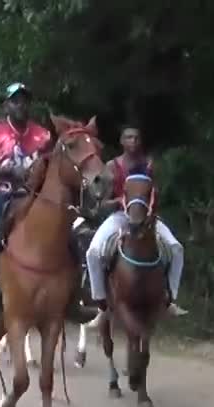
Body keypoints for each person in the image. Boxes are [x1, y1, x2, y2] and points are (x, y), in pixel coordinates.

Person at [0, 82, 98, 324]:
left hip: (36, 195)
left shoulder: (43, 136)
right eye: (15, 100)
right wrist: (8, 172)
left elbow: (57, 167)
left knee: (72, 237)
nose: (21, 105)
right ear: (7, 105)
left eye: (24, 100)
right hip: (0, 193)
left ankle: (75, 299)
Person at [85, 126, 188, 326]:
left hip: (148, 218)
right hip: (120, 216)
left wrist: (148, 210)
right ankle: (101, 305)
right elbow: (100, 202)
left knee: (176, 248)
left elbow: (157, 194)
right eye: (129, 137)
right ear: (122, 142)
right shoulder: (112, 167)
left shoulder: (150, 165)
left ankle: (170, 300)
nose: (133, 141)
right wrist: (118, 202)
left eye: (137, 138)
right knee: (93, 251)